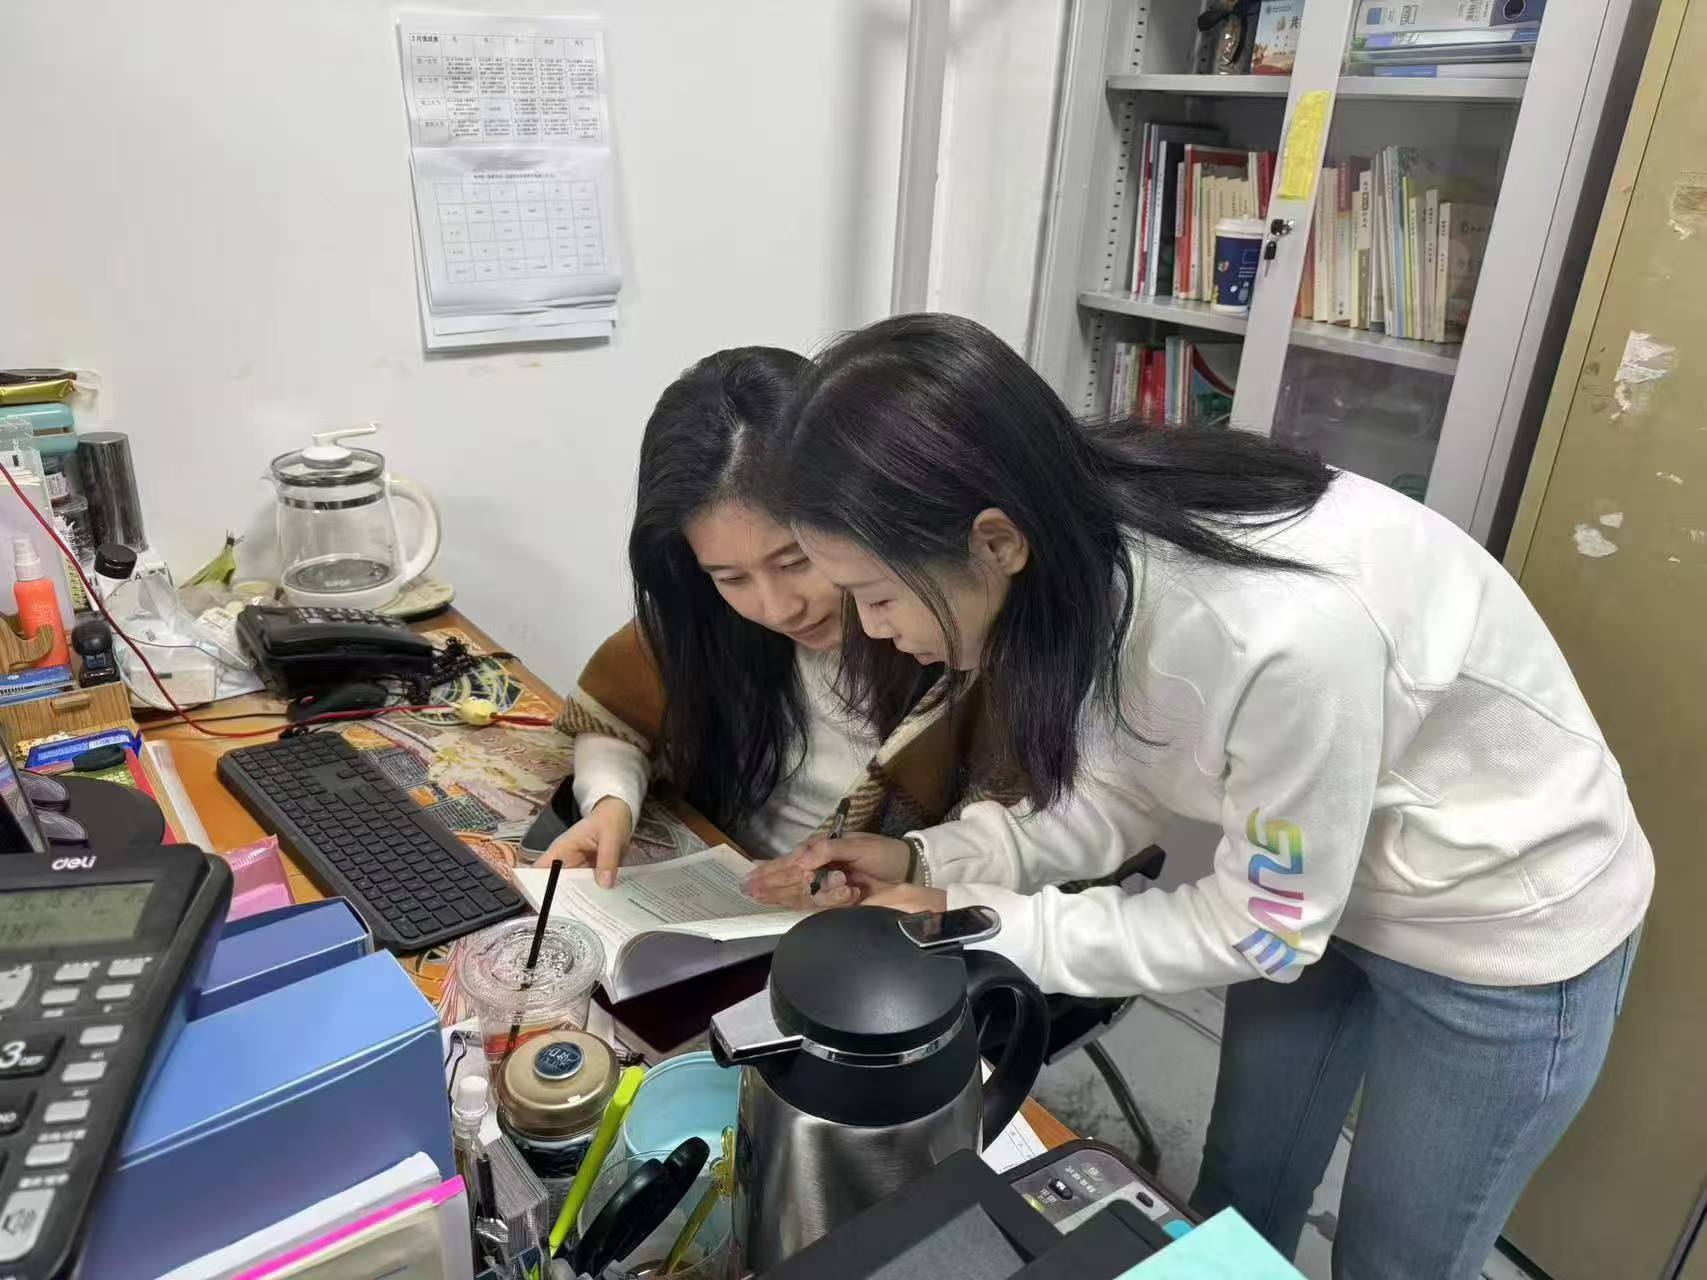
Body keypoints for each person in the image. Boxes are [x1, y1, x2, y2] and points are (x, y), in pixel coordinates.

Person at [745, 313, 1652, 1279]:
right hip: (1322, 880)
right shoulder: (1077, 552)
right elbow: (1122, 786)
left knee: (1396, 1260)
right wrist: (933, 861)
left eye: (877, 595)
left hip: (1497, 921)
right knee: (1238, 1197)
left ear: (992, 540)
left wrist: (991, 926)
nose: (872, 630)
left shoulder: (1275, 634)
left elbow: (1263, 933)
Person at [547, 345, 1020, 886]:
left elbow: (1017, 846)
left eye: (796, 561)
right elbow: (616, 717)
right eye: (731, 578)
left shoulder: (956, 639)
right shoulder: (704, 619)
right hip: (730, 888)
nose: (777, 609)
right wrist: (610, 800)